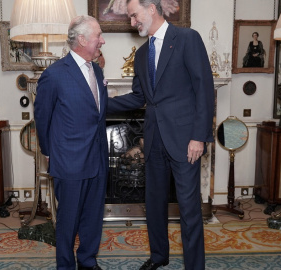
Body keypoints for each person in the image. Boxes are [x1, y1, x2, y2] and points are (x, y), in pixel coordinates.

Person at [107, 0, 215, 269]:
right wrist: (100, 104)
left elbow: (204, 89)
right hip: (153, 140)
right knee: (153, 205)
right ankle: (158, 257)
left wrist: (199, 136)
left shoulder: (187, 38)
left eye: (134, 16)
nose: (132, 22)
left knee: (189, 210)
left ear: (151, 9)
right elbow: (139, 97)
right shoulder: (142, 54)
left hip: (185, 141)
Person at [34, 15, 107, 270]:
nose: (103, 41)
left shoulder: (97, 69)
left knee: (93, 217)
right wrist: (48, 152)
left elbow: (97, 111)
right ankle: (65, 265)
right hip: (69, 161)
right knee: (68, 221)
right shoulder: (53, 75)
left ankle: (87, 261)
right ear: (82, 39)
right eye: (99, 36)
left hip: (98, 158)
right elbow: (42, 118)